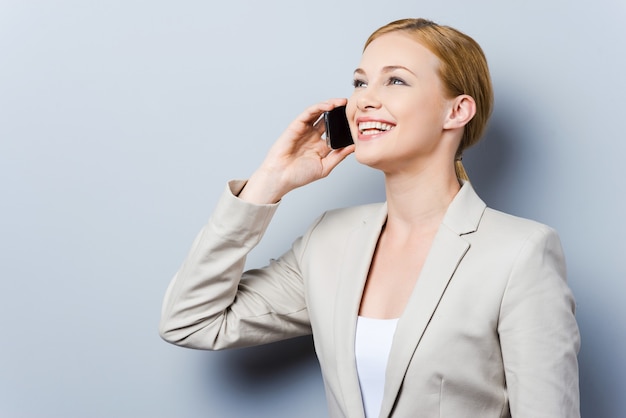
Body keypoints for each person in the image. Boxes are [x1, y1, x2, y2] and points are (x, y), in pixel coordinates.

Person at [159, 18, 580, 418]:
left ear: (457, 111)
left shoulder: (520, 253)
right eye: (360, 82)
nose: (365, 99)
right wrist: (268, 183)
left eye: (395, 80)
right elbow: (191, 321)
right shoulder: (331, 239)